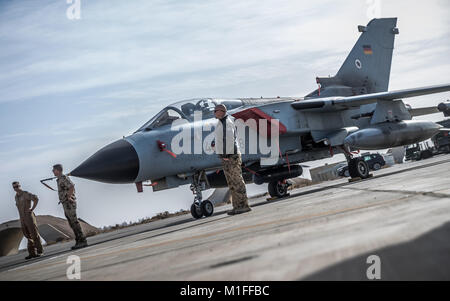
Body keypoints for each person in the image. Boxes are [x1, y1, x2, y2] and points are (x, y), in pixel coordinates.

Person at [213, 104, 251, 215]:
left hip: (231, 156)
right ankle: (237, 206)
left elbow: (229, 140)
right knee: (232, 183)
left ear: (221, 111)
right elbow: (222, 139)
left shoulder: (227, 123)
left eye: (215, 111)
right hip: (226, 157)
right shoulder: (221, 123)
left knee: (237, 181)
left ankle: (244, 206)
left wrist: (226, 155)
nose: (214, 113)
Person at [52, 164, 88, 250]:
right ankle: (79, 240)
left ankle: (82, 241)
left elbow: (71, 186)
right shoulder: (60, 179)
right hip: (65, 203)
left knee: (74, 222)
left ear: (58, 170)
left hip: (69, 203)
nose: (53, 171)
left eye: (54, 170)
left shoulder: (63, 178)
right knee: (72, 223)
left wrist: (69, 197)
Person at [12, 181, 44, 259]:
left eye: (17, 186)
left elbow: (36, 198)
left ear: (20, 186)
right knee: (27, 235)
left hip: (29, 217)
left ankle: (40, 251)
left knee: (34, 234)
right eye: (14, 187)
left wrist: (32, 209)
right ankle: (32, 253)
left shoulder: (25, 194)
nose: (16, 188)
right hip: (22, 218)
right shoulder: (16, 197)